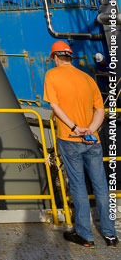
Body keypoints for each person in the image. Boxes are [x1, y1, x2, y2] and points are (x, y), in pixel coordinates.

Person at [44, 39, 118, 248]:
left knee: (78, 187)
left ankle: (85, 235)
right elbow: (100, 110)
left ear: (55, 57)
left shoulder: (52, 75)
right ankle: (111, 235)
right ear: (70, 57)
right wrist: (90, 130)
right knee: (101, 187)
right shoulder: (87, 78)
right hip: (92, 140)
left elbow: (55, 106)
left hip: (70, 139)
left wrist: (75, 128)